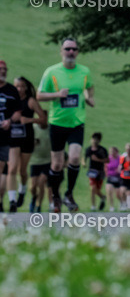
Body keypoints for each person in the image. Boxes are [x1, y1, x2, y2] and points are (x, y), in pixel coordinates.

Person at [37, 38, 95, 213]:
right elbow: (39, 95)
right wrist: (57, 94)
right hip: (57, 123)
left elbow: (90, 87)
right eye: (67, 49)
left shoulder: (85, 71)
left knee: (75, 158)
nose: (71, 52)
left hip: (77, 122)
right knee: (56, 164)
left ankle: (69, 193)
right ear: (61, 51)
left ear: (77, 52)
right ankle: (55, 196)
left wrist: (89, 97)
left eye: (74, 49)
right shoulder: (51, 72)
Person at [8, 75, 47, 212]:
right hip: (12, 138)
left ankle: (22, 190)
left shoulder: (30, 101)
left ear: (26, 87)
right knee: (12, 168)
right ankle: (12, 200)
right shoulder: (10, 99)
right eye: (16, 86)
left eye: (22, 86)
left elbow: (43, 119)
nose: (19, 89)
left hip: (27, 138)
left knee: (22, 170)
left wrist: (28, 120)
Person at [0, 60, 20, 211]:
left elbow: (18, 113)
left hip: (4, 136)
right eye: (0, 69)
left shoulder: (12, 91)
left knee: (2, 169)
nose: (3, 71)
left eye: (5, 69)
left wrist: (9, 121)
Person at [28, 124, 52, 213]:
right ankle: (34, 197)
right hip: (35, 161)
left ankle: (38, 205)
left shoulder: (51, 128)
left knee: (41, 182)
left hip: (47, 161)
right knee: (33, 186)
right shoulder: (33, 128)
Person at [83, 133, 109, 211]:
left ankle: (102, 197)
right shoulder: (88, 149)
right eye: (93, 139)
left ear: (99, 140)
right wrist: (84, 163)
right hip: (92, 171)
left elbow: (107, 160)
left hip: (100, 172)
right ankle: (93, 206)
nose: (94, 141)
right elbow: (84, 157)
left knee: (97, 189)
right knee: (93, 188)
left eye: (96, 139)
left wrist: (98, 160)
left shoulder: (102, 150)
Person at [105, 147, 121, 211]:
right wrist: (106, 173)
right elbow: (105, 166)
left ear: (116, 152)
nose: (112, 153)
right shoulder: (108, 158)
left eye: (113, 151)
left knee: (118, 194)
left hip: (118, 178)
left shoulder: (120, 158)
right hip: (110, 177)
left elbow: (121, 165)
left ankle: (121, 203)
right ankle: (111, 206)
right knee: (109, 190)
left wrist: (119, 169)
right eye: (110, 151)